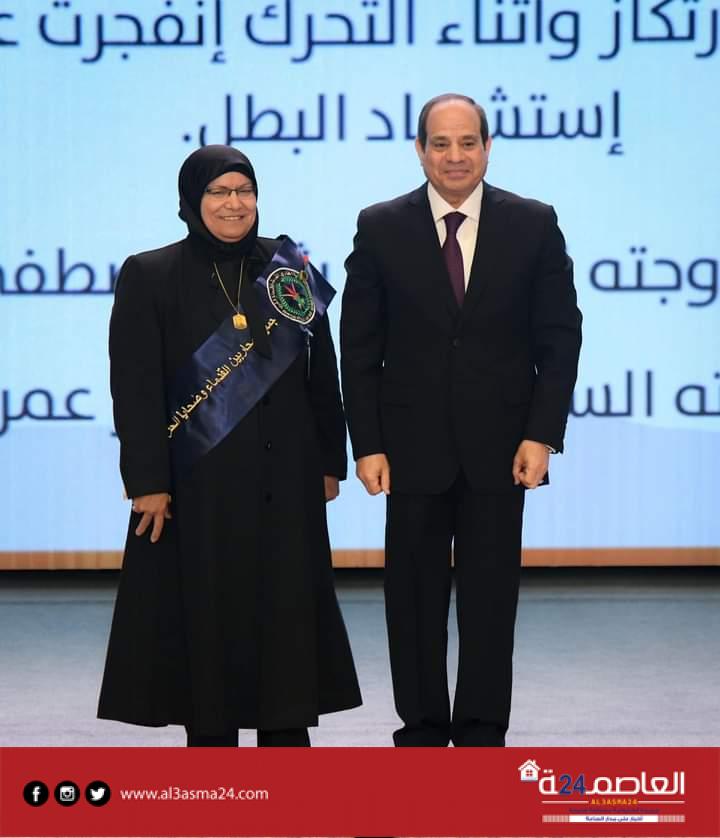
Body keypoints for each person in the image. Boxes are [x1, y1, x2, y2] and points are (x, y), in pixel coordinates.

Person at [98, 144, 361, 747]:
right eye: (218, 192)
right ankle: (215, 769)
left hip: (286, 482)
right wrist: (147, 483)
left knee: (286, 625)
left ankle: (286, 759)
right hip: (199, 487)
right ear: (192, 201)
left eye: (244, 190)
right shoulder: (151, 274)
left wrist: (328, 460)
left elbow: (322, 372)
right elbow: (134, 389)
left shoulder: (287, 267)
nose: (233, 203)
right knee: (209, 628)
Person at [340, 93, 581, 747]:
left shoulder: (533, 223)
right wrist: (367, 444)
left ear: (487, 147)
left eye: (467, 142)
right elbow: (359, 346)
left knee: (491, 600)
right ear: (419, 150)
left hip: (502, 448)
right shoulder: (380, 226)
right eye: (440, 144)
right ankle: (420, 730)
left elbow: (560, 337)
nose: (455, 156)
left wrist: (541, 433)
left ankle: (481, 732)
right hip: (409, 449)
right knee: (412, 601)